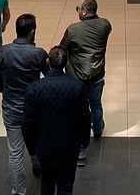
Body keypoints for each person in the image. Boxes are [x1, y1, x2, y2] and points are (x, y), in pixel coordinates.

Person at [22, 46, 90, 195]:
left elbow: (27, 123)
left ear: (48, 62)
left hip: (44, 146)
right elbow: (84, 118)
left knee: (47, 182)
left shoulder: (34, 88)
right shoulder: (77, 87)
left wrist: (32, 149)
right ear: (66, 64)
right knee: (66, 185)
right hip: (69, 146)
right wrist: (84, 141)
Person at [0, 14, 48, 195]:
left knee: (15, 152)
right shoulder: (38, 54)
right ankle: (38, 165)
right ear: (32, 32)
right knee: (38, 142)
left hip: (11, 109)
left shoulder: (4, 52)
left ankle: (19, 190)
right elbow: (49, 78)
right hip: (34, 110)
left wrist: (8, 91)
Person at [59, 0, 111, 167]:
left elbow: (62, 49)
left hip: (77, 78)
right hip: (97, 75)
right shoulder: (105, 25)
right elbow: (100, 24)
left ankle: (80, 151)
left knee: (79, 112)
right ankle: (97, 129)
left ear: (84, 11)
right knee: (96, 104)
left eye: (79, 9)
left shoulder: (73, 30)